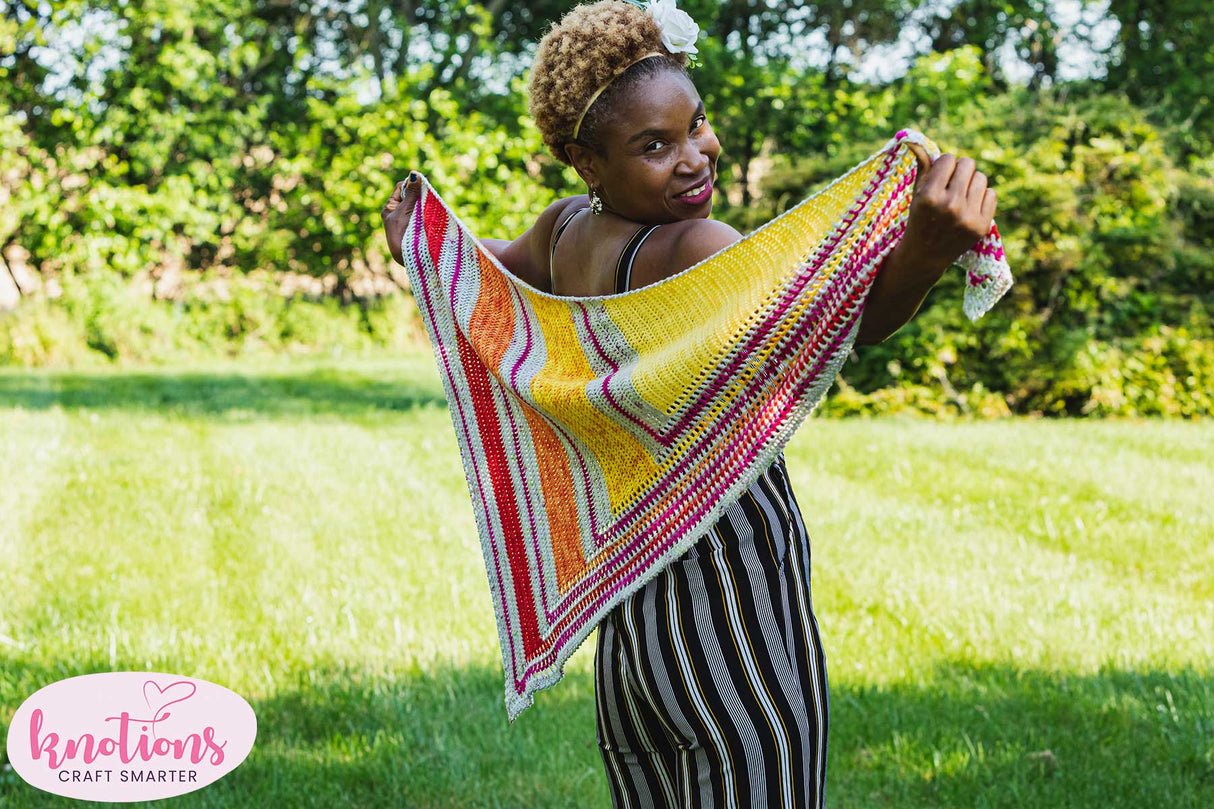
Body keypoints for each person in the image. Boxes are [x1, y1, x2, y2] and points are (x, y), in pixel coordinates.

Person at [381, 3, 996, 806]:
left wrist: (422, 243)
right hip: (731, 605)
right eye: (653, 145)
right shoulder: (693, 250)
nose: (693, 156)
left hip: (632, 626)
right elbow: (851, 320)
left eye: (695, 123)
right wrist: (924, 249)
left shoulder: (567, 231)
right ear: (586, 161)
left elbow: (490, 274)